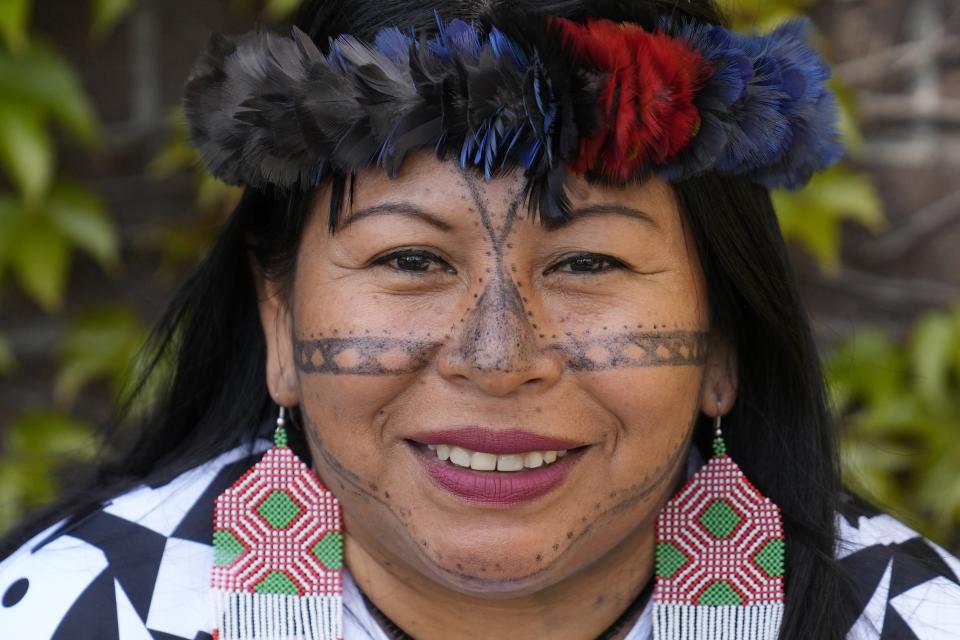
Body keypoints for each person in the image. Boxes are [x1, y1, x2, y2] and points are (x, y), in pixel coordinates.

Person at [1, 1, 958, 638]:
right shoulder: (69, 615)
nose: (499, 359)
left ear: (721, 340)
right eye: (410, 260)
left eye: (588, 262)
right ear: (281, 323)